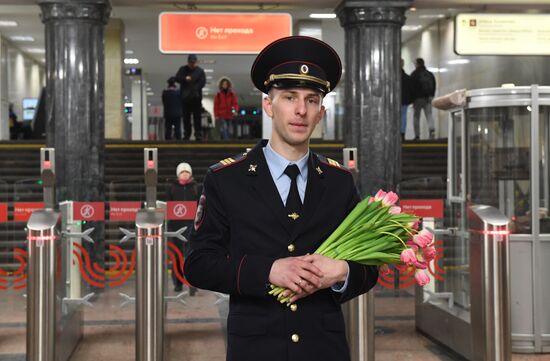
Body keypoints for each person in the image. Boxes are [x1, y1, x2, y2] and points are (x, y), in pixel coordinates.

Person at [185, 36, 378, 361]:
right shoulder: (226, 179)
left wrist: (342, 271)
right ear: (268, 105)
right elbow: (199, 264)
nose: (301, 110)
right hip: (255, 350)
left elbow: (369, 268)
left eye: (312, 100)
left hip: (324, 349)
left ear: (321, 112)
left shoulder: (339, 181)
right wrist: (267, 271)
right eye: (289, 97)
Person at [166, 162, 200, 293]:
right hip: (176, 227)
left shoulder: (196, 187)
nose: (185, 174)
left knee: (191, 256)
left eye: (187, 172)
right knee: (177, 255)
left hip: (192, 227)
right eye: (182, 172)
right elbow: (168, 206)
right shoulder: (172, 188)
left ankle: (193, 283)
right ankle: (178, 283)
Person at [175, 54, 206, 141]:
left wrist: (195, 87)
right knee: (186, 117)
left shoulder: (200, 71)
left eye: (193, 62)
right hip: (185, 98)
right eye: (190, 62)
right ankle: (187, 134)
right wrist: (185, 79)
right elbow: (177, 78)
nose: (192, 64)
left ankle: (198, 134)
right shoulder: (183, 69)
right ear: (188, 62)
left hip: (196, 98)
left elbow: (203, 82)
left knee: (197, 117)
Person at [410, 58, 436, 140]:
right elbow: (434, 85)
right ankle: (432, 130)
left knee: (416, 117)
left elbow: (411, 87)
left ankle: (417, 135)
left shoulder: (414, 74)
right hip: (428, 98)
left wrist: (412, 99)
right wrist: (431, 95)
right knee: (429, 115)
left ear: (417, 64)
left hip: (417, 99)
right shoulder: (429, 74)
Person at [400, 59, 413, 142]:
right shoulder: (407, 77)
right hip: (405, 100)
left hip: (393, 102)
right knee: (403, 116)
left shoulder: (391, 77)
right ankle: (402, 134)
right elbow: (411, 90)